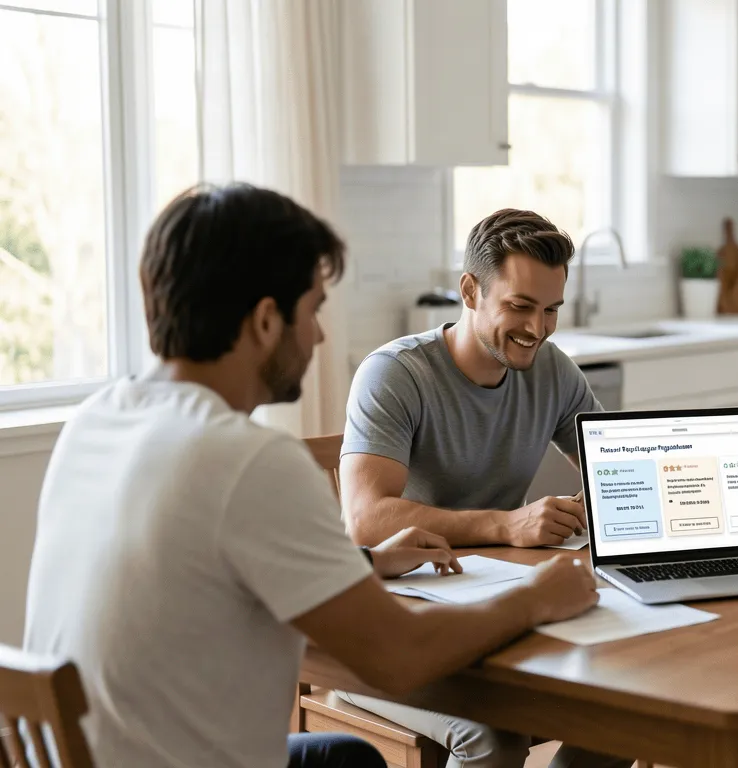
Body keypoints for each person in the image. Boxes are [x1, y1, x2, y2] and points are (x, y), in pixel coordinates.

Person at [23, 184, 602, 768]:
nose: (319, 336)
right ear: (267, 320)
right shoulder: (248, 461)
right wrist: (535, 597)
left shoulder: (95, 421)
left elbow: (208, 565)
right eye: (314, 310)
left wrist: (368, 563)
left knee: (345, 760)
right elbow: (398, 656)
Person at [339, 209, 628, 768]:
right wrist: (504, 524)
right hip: (391, 625)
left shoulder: (554, 372)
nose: (537, 329)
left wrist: (607, 500)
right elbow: (366, 522)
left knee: (630, 710)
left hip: (500, 605)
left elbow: (617, 474)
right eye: (520, 306)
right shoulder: (395, 374)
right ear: (470, 290)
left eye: (550, 311)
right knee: (494, 735)